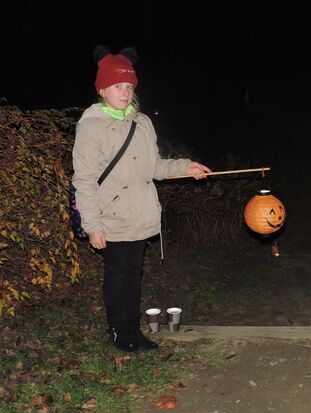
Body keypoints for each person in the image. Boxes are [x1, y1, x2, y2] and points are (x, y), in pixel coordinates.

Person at [72, 46, 212, 353]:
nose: (125, 92)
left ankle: (130, 329)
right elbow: (83, 180)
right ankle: (121, 332)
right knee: (119, 274)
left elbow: (155, 166)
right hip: (111, 216)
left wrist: (184, 167)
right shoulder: (92, 126)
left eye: (129, 86)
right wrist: (93, 225)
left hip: (140, 213)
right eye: (118, 86)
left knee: (132, 274)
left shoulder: (143, 122)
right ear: (103, 89)